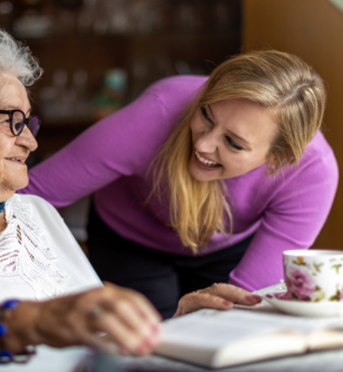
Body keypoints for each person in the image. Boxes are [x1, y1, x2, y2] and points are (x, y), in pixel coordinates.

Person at [0, 29, 262, 372]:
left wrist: (173, 328)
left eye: (28, 122)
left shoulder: (36, 212)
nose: (31, 143)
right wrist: (33, 321)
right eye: (12, 122)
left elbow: (99, 343)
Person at [22, 47, 338, 319]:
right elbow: (28, 194)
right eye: (206, 115)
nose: (203, 145)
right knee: (140, 344)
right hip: (130, 239)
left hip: (228, 247)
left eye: (233, 143)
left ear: (277, 159)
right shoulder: (158, 112)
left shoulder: (312, 173)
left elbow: (246, 305)